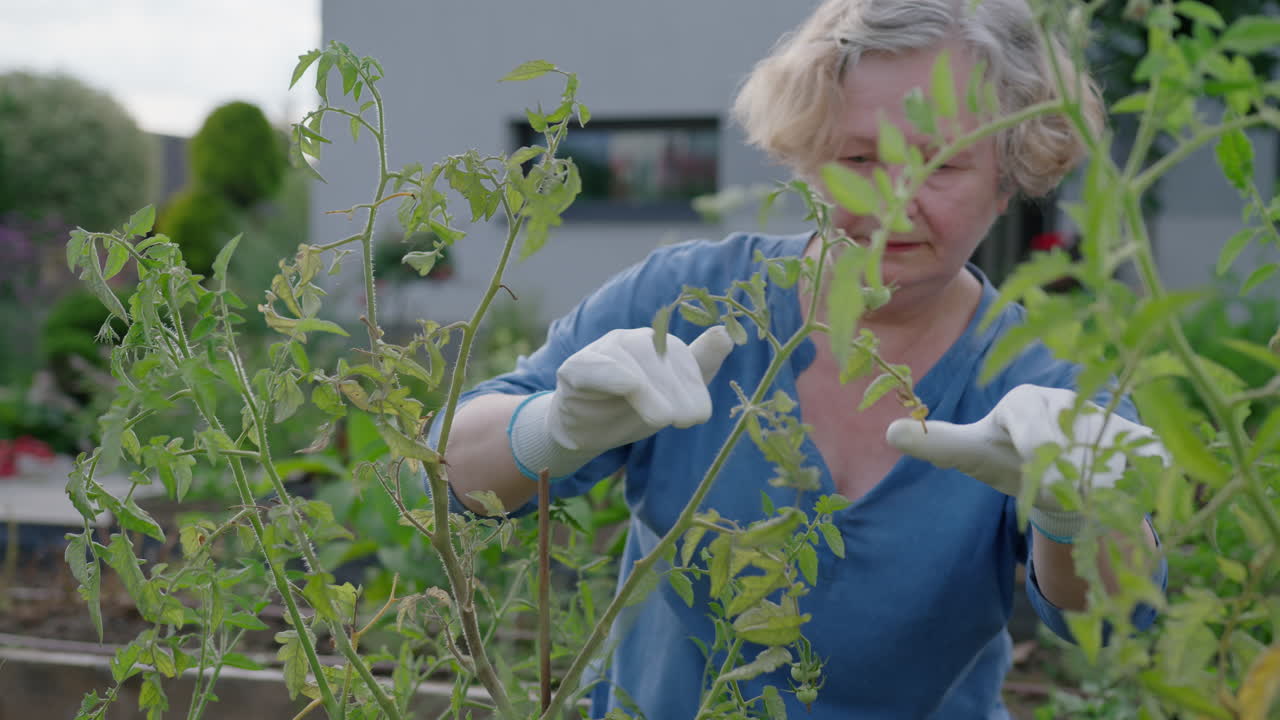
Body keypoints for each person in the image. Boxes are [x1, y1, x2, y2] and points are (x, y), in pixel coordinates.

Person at [435, 0, 1169, 717]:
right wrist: (552, 428)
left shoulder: (1042, 376)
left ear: (1009, 178)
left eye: (943, 165)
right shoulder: (692, 298)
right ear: (809, 158)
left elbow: (1118, 617)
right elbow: (443, 471)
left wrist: (1074, 515)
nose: (894, 202)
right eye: (858, 157)